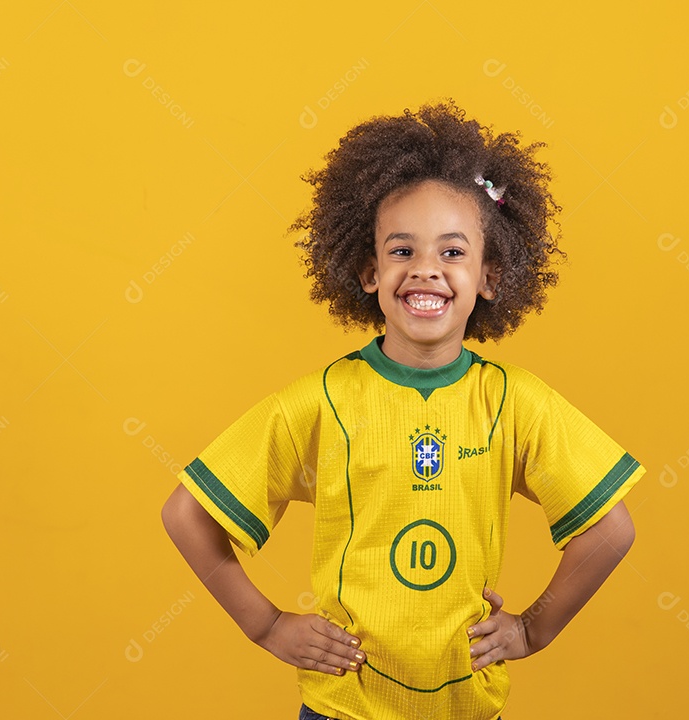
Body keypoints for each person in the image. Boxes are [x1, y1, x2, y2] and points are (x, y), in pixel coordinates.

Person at [161, 98, 647, 720]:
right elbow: (186, 514)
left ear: (489, 276)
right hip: (344, 709)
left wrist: (533, 629)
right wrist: (267, 626)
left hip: (468, 708)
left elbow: (612, 529)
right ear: (367, 271)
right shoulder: (322, 401)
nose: (426, 271)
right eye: (401, 251)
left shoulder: (515, 403)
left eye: (451, 252)